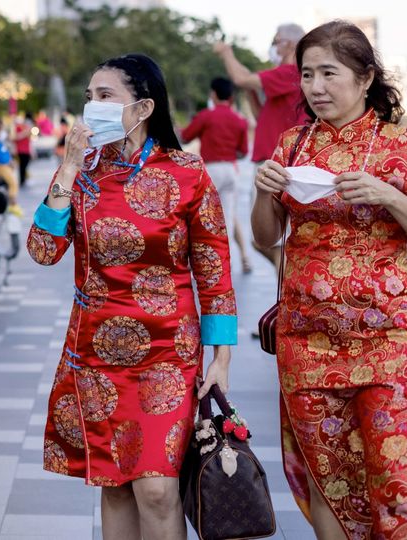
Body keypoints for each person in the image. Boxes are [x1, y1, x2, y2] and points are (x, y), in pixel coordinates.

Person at [27, 53, 236, 540]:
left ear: (142, 109)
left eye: (105, 97)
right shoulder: (83, 173)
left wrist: (221, 358)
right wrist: (69, 166)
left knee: (158, 490)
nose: (91, 107)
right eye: (89, 97)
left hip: (168, 354)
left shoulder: (188, 173)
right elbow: (42, 250)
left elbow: (214, 271)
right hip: (95, 354)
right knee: (116, 484)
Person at [252, 20, 407, 539]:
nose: (315, 87)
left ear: (365, 78)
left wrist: (388, 195)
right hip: (308, 341)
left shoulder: (397, 144)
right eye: (307, 74)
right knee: (329, 479)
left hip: (390, 342)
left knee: (395, 481)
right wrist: (262, 193)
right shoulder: (293, 144)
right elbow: (264, 238)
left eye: (329, 73)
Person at [215, 23, 306, 270]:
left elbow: (240, 78)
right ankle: (282, 272)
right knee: (266, 240)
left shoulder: (289, 71)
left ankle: (283, 281)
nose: (273, 47)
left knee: (267, 238)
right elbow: (261, 114)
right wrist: (251, 92)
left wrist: (226, 52)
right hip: (272, 160)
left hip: (275, 162)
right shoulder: (285, 78)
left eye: (276, 41)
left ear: (288, 43)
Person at [182, 77, 252, 273]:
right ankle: (224, 263)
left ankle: (198, 262)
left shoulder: (207, 115)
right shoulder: (239, 120)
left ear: (213, 93)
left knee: (200, 216)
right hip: (231, 170)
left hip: (211, 170)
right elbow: (243, 151)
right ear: (231, 96)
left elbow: (186, 136)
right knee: (227, 218)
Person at [14, 112, 34, 186]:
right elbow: (15, 137)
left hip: (27, 150)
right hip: (20, 150)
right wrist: (25, 132)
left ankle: (23, 179)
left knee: (25, 165)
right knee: (22, 166)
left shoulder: (28, 129)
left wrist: (32, 151)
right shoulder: (19, 128)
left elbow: (30, 141)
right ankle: (22, 180)